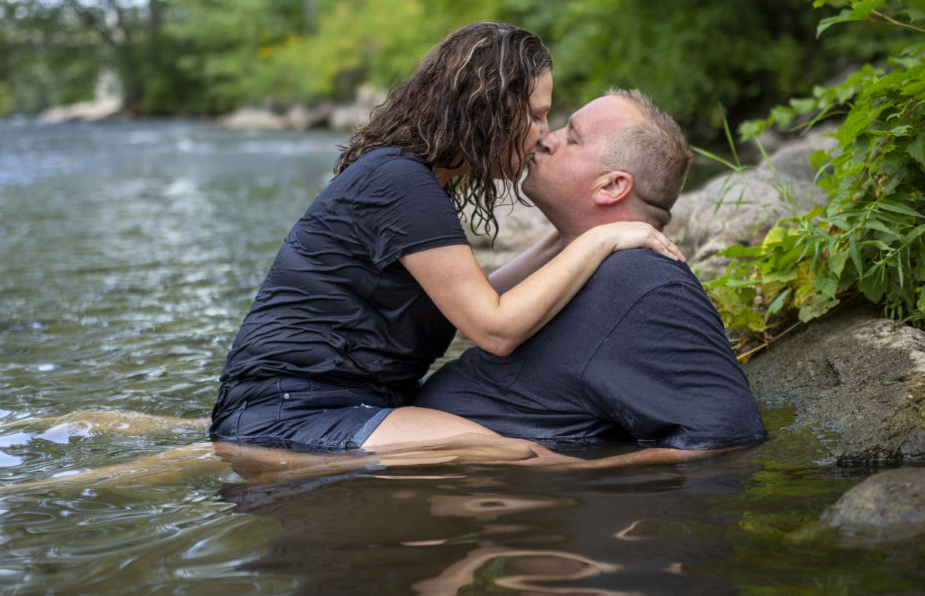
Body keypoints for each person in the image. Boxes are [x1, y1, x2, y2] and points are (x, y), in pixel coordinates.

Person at [209, 23, 682, 453]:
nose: (542, 136)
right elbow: (493, 329)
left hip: (341, 402)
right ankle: (649, 477)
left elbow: (477, 299)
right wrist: (598, 242)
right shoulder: (400, 182)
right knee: (513, 454)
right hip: (290, 410)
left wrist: (572, 236)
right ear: (488, 110)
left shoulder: (411, 177)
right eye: (536, 116)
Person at [415, 90, 766, 467]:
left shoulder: (644, 281)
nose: (544, 139)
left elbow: (730, 432)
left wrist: (583, 471)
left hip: (436, 474)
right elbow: (474, 309)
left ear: (612, 186)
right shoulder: (587, 263)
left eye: (572, 138)